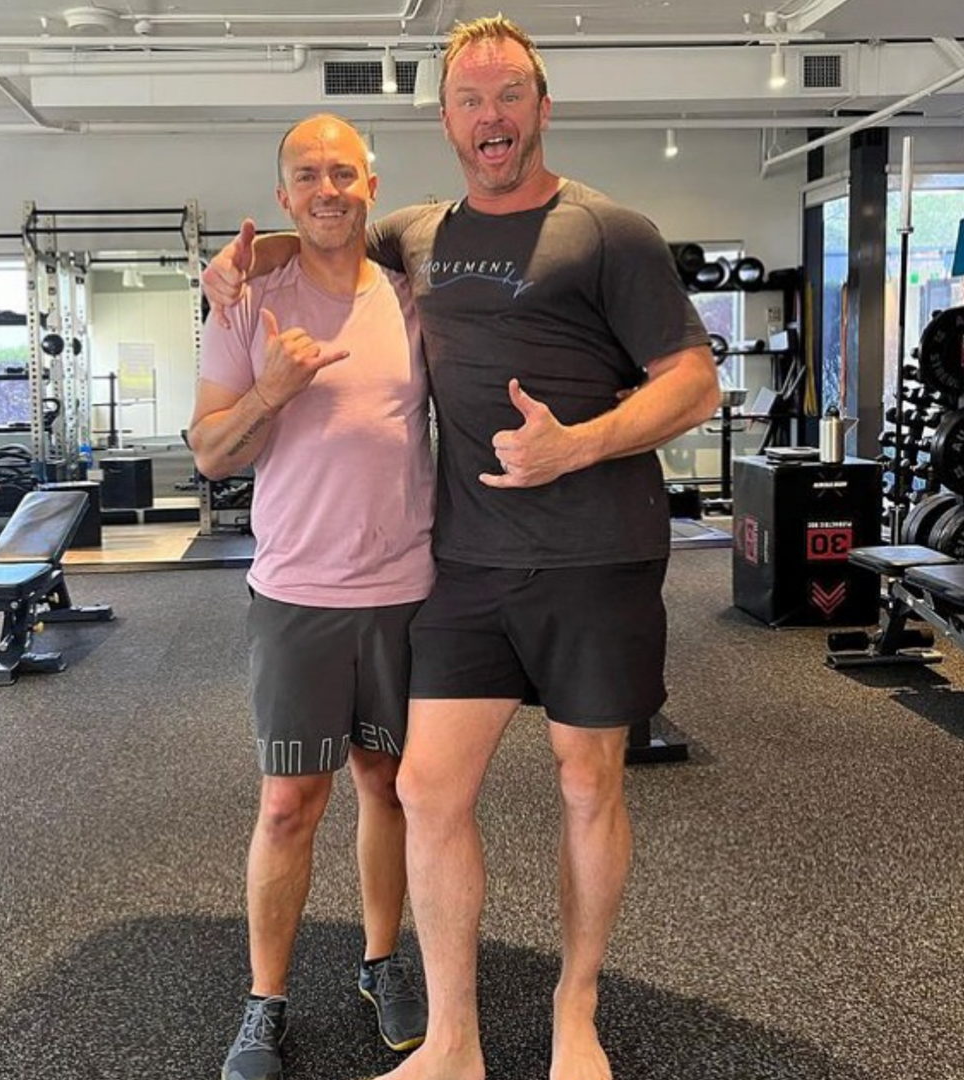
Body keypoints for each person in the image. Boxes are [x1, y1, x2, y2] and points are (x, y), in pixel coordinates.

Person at [202, 17, 722, 1080]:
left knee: (588, 781)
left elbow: (695, 383)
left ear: (542, 106)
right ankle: (453, 1042)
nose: (492, 117)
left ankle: (576, 1012)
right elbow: (327, 233)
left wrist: (580, 443)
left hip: (596, 556)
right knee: (427, 790)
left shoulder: (610, 232)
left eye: (509, 95)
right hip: (468, 565)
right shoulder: (421, 235)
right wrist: (254, 257)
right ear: (445, 122)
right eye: (470, 100)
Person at [188, 113, 433, 1080]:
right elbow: (212, 454)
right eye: (307, 175)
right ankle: (266, 999)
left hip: (406, 587)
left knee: (389, 785)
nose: (327, 189)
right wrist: (273, 390)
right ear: (283, 195)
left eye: (343, 172)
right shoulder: (246, 303)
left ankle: (381, 960)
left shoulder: (413, 301)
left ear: (371, 185)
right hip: (296, 592)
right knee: (291, 802)